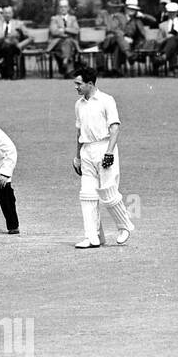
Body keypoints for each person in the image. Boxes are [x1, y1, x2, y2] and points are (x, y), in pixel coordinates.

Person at [71, 65, 135, 249]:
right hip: (87, 151)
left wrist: (109, 152)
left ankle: (125, 227)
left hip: (104, 147)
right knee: (87, 194)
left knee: (108, 192)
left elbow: (115, 128)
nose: (76, 87)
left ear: (90, 83)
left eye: (78, 84)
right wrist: (77, 157)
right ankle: (92, 237)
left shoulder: (106, 100)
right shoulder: (78, 104)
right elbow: (78, 132)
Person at [0, 6, 27, 80]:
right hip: (0, 47)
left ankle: (9, 74)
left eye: (9, 13)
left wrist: (21, 45)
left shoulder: (19, 24)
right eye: (5, 13)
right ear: (3, 14)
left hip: (13, 47)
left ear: (12, 14)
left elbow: (30, 36)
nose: (7, 15)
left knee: (8, 48)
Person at [47, 0, 81, 78]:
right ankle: (68, 66)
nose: (63, 9)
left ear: (68, 8)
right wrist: (67, 32)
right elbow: (54, 31)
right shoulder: (54, 18)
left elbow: (76, 30)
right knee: (67, 42)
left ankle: (65, 63)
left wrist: (64, 29)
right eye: (61, 7)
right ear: (59, 8)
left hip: (70, 43)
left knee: (68, 42)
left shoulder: (73, 18)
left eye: (65, 7)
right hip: (58, 43)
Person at [97, 0, 129, 75]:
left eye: (117, 7)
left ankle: (115, 69)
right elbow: (98, 25)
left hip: (116, 41)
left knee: (118, 45)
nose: (115, 9)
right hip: (104, 42)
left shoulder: (122, 16)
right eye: (113, 7)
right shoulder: (103, 14)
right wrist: (114, 30)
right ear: (109, 7)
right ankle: (127, 54)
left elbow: (124, 30)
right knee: (118, 39)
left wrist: (114, 30)